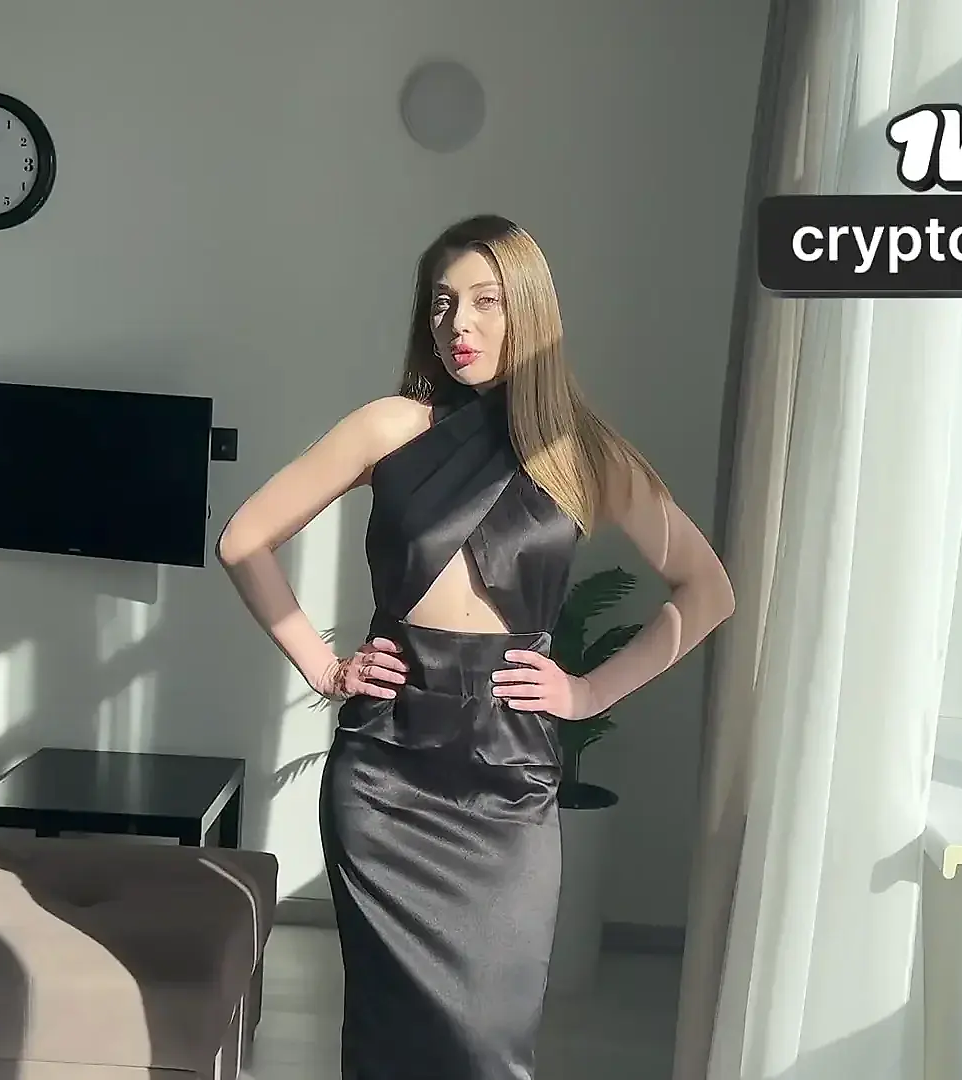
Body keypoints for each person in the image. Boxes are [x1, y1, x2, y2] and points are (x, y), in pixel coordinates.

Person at [216, 214, 736, 1080]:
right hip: (386, 773)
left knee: (489, 1046)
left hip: (510, 775)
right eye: (442, 303)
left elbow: (708, 591)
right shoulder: (391, 426)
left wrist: (590, 692)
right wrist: (324, 665)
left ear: (529, 310)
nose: (459, 323)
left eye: (486, 301)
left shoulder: (581, 450)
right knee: (388, 1041)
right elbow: (243, 538)